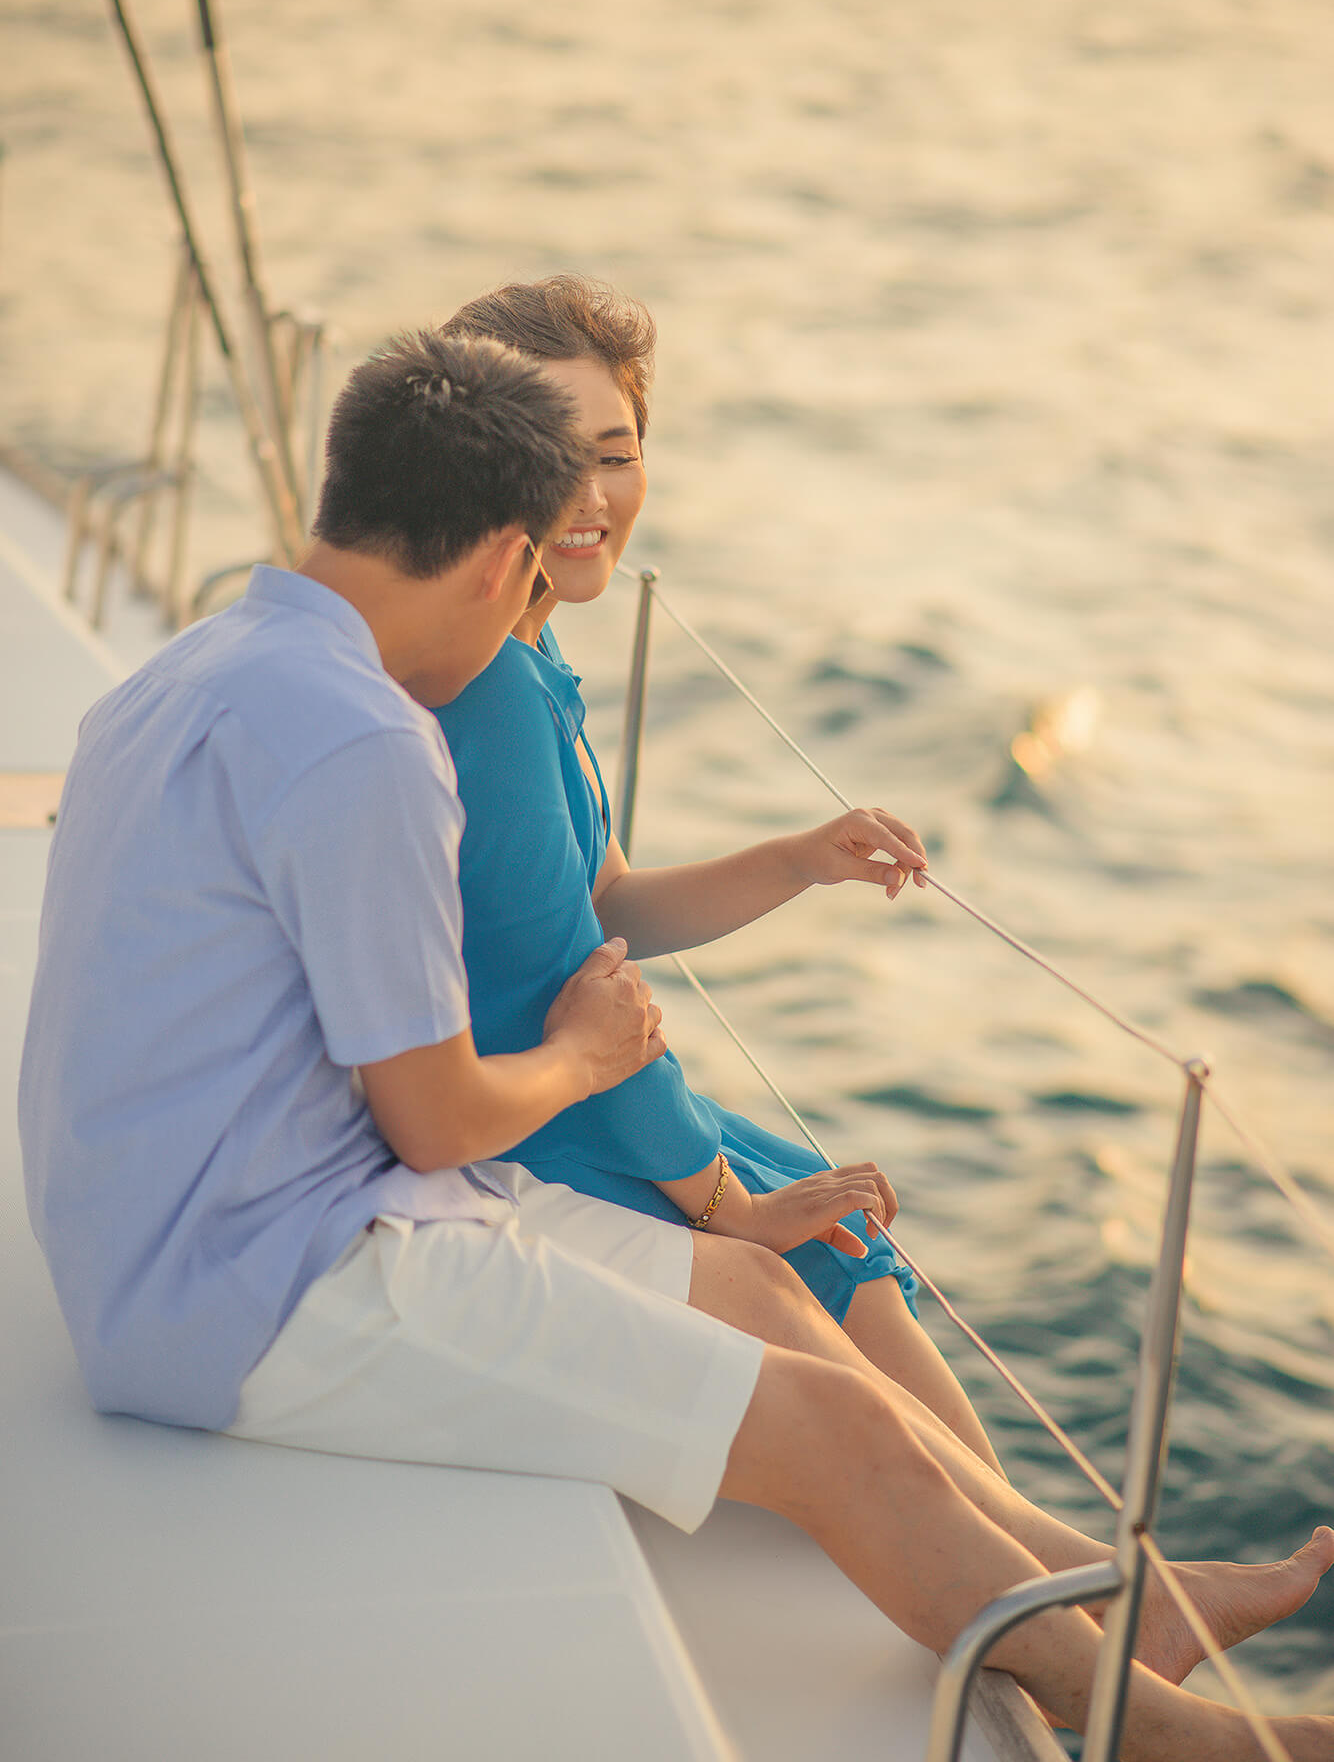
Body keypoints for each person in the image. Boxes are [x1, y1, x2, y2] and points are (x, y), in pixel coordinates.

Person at [18, 330, 1334, 1760]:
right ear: (499, 555)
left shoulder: (199, 662)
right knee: (843, 1436)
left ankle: (1081, 1614)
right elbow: (440, 1122)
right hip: (255, 1291)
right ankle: (1173, 1740)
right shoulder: (368, 742)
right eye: (531, 578)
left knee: (766, 1299)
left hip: (199, 1223)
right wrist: (588, 1052)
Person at [434, 274, 998, 1468]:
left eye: (617, 451)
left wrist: (798, 858)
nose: (592, 497)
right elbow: (556, 986)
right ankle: (1065, 1596)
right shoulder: (487, 689)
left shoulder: (523, 642)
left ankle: (1074, 1591)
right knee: (834, 1252)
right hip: (532, 1118)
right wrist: (722, 1208)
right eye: (549, 455)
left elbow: (609, 904)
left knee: (854, 1248)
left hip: (576, 1084)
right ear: (475, 463)